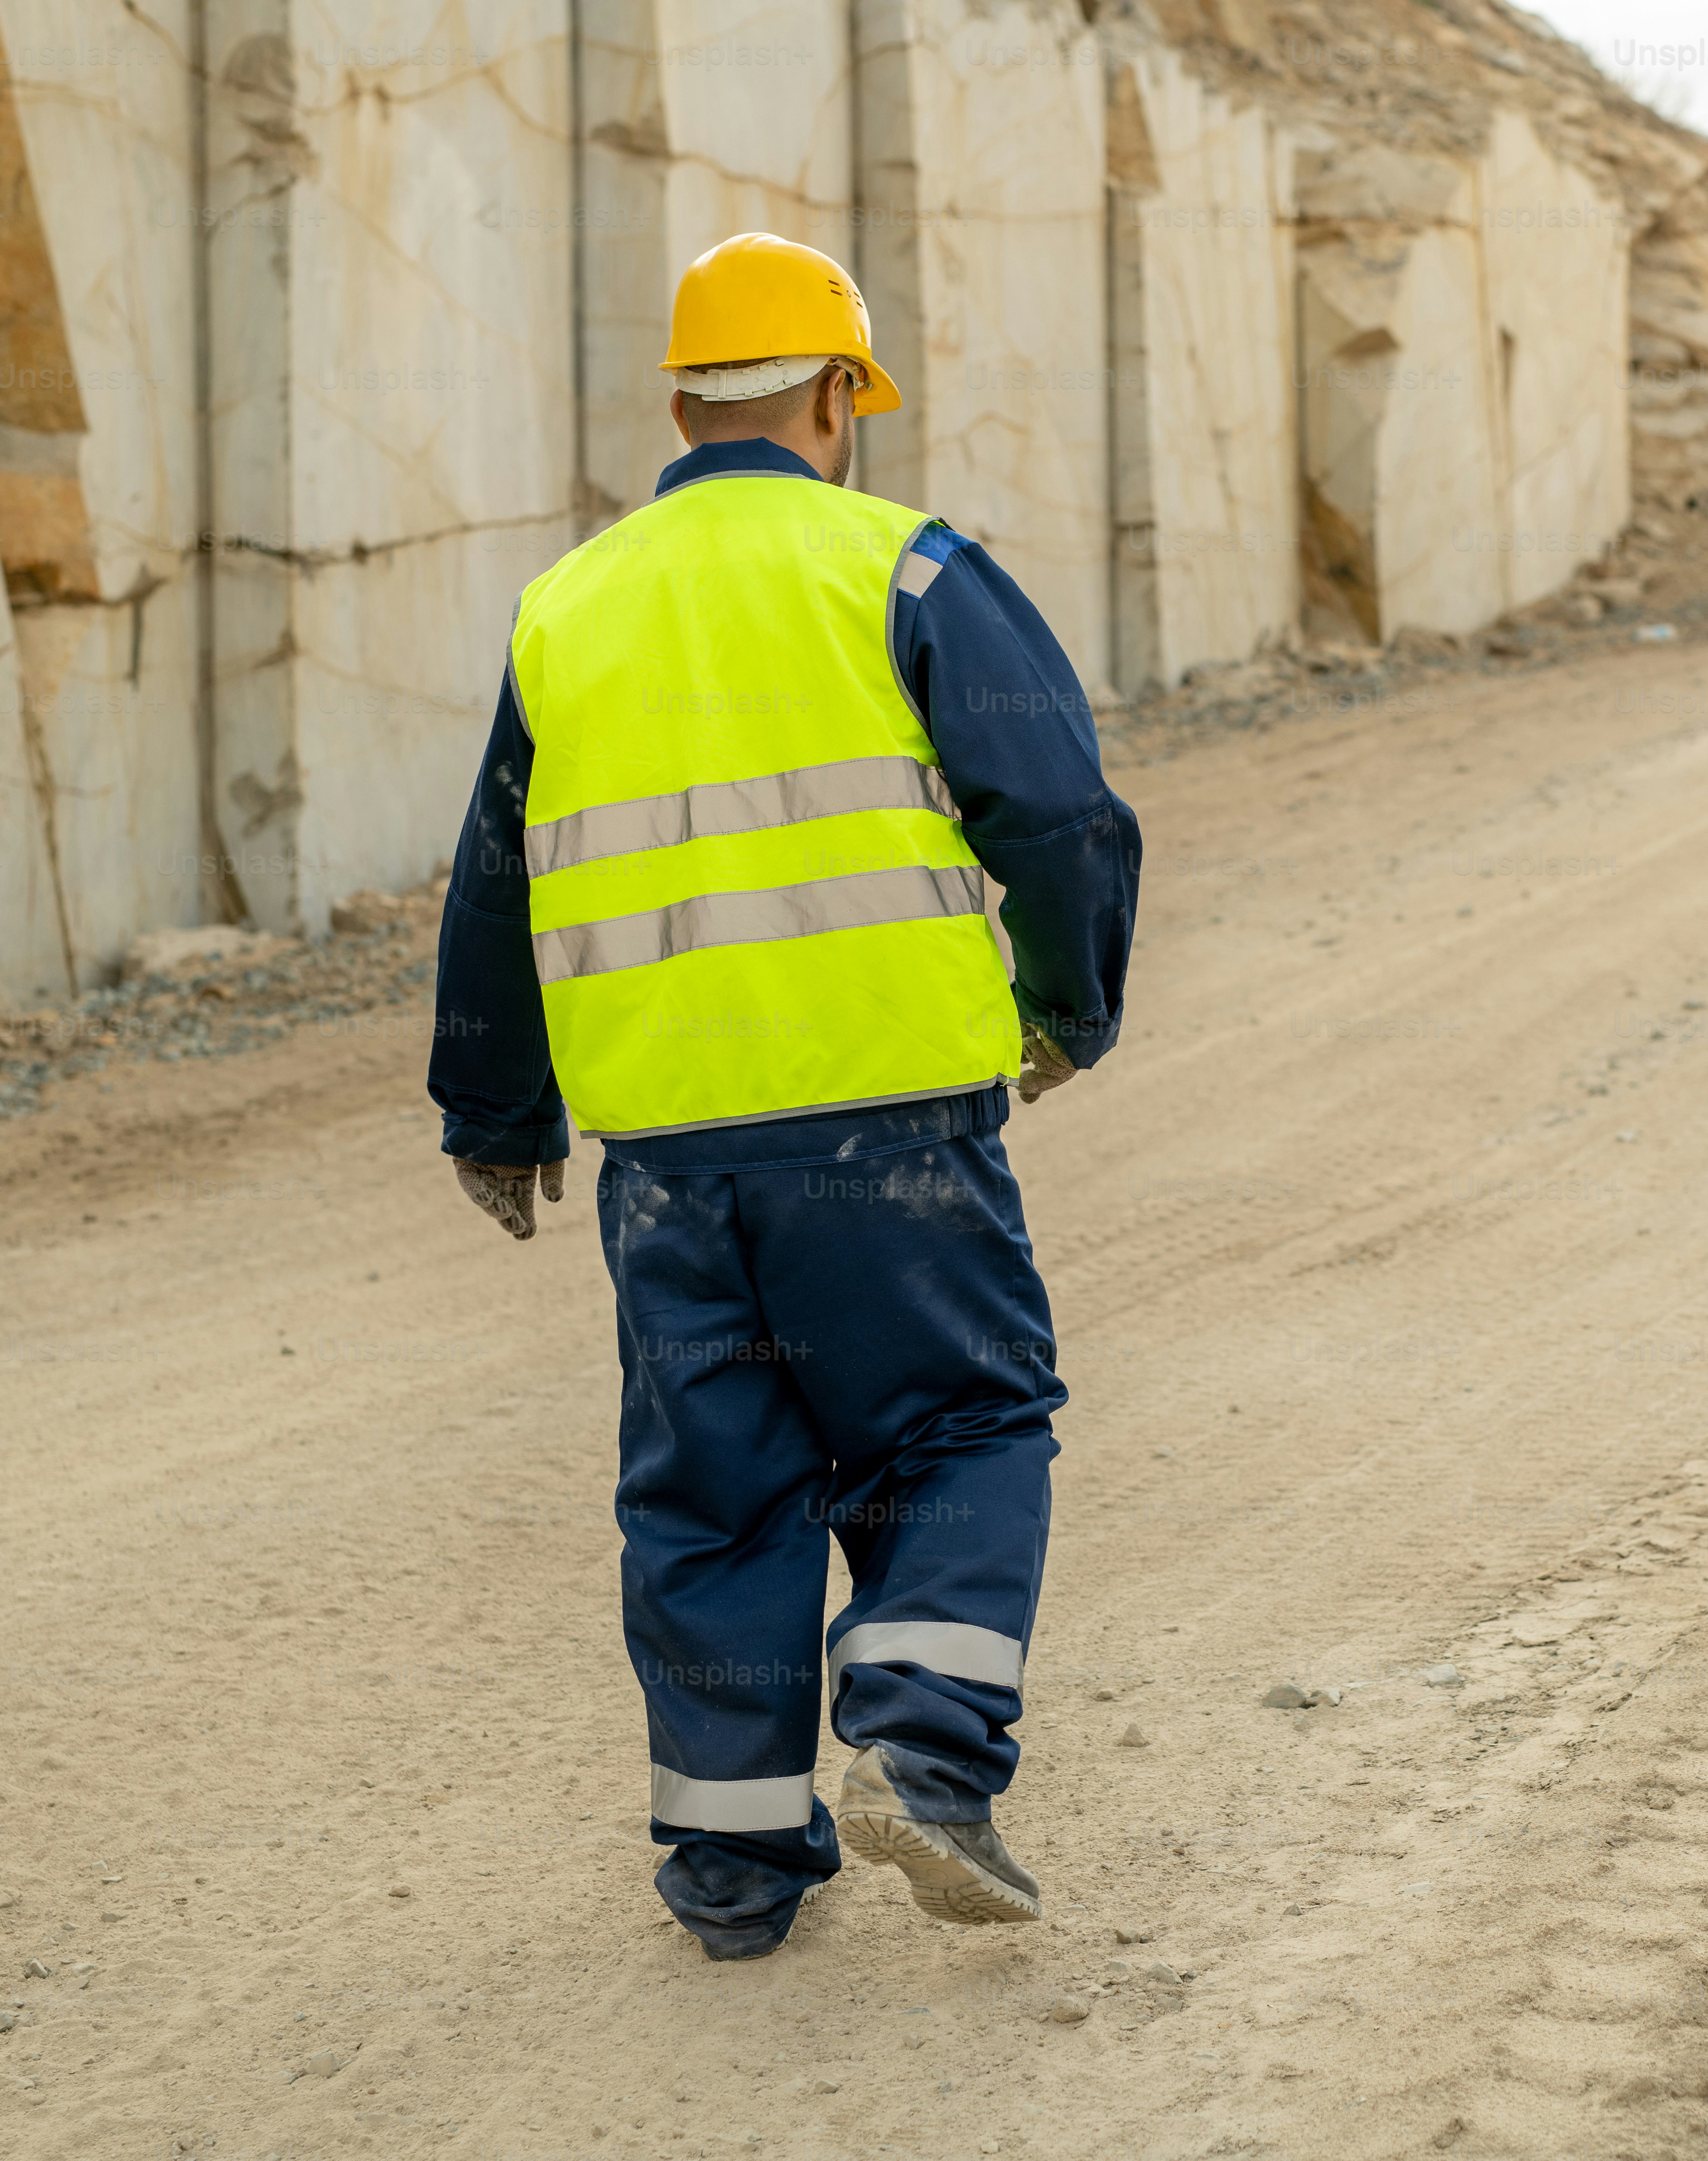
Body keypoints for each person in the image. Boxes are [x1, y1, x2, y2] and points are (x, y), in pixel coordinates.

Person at [425, 232, 1139, 1961]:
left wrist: (497, 1115)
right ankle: (920, 1734)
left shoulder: (568, 606)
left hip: (668, 1155)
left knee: (713, 1487)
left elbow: (495, 880)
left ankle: (733, 1871)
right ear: (839, 397)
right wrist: (1069, 1007)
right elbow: (1053, 811)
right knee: (962, 1425)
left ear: (681, 401)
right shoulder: (907, 570)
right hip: (890, 1128)